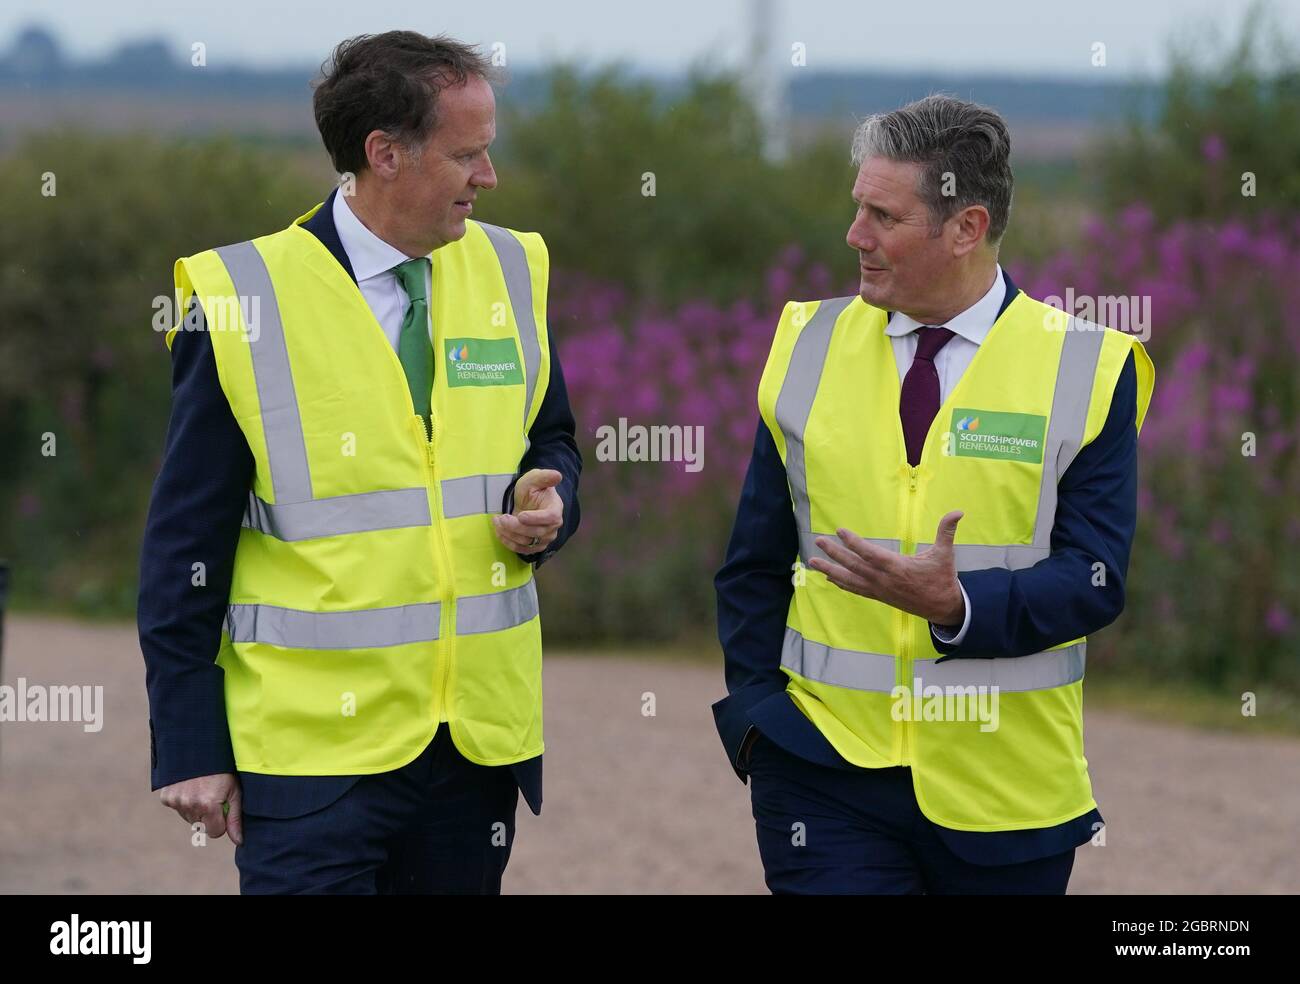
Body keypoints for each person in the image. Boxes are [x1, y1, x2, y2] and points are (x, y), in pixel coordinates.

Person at [138, 31, 581, 894]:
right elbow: (184, 542)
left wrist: (550, 511)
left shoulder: (510, 267)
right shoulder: (242, 300)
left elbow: (552, 440)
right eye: (468, 154)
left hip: (474, 752)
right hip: (312, 762)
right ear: (384, 153)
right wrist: (189, 742)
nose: (488, 177)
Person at [713, 94, 1154, 894]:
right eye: (858, 209)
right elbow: (753, 561)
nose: (856, 236)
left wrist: (958, 607)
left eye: (884, 216)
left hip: (1007, 796)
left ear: (966, 229)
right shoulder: (804, 345)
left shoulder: (1090, 368)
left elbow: (1095, 577)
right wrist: (757, 723)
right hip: (821, 770)